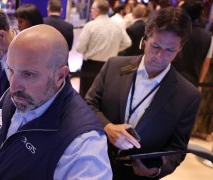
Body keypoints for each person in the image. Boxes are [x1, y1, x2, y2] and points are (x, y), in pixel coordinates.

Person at [0, 25, 113, 180]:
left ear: (60, 76)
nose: (13, 87)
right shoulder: (17, 95)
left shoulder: (83, 144)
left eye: (28, 74)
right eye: (11, 70)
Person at [85, 7, 200, 179]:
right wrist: (107, 127)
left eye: (170, 50)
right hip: (94, 164)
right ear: (145, 38)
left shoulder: (187, 95)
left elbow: (177, 148)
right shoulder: (115, 66)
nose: (160, 56)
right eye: (156, 46)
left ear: (180, 48)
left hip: (137, 175)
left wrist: (157, 170)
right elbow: (88, 104)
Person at [76, 0, 131, 97]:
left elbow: (80, 48)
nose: (90, 11)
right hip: (109, 65)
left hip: (90, 66)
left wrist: (90, 51)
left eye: (92, 9)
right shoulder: (116, 25)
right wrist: (114, 49)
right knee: (103, 95)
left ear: (97, 10)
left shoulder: (90, 26)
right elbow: (127, 42)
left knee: (87, 95)